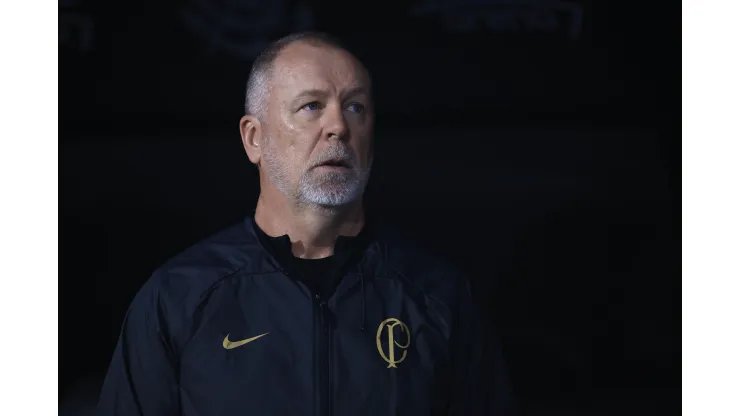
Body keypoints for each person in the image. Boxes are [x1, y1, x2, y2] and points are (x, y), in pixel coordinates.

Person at [96, 32, 516, 415]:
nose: (338, 126)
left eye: (356, 107)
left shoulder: (437, 294)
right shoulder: (179, 297)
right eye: (311, 106)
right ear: (253, 138)